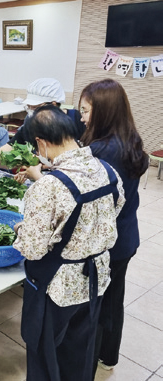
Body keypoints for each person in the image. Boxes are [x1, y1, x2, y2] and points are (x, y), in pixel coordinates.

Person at [12, 105, 125, 381]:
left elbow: (33, 249)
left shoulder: (48, 187)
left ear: (41, 142)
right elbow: (114, 211)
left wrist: (21, 229)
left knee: (46, 355)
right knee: (80, 351)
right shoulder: (108, 172)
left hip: (58, 288)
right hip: (96, 279)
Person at [79, 79, 149, 375]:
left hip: (107, 241)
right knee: (113, 298)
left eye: (85, 111)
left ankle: (88, 362)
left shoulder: (100, 151)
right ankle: (109, 356)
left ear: (103, 112)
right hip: (127, 236)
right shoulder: (130, 140)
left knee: (95, 303)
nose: (80, 117)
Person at [0, 78, 85, 171]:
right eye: (29, 107)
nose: (32, 112)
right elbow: (5, 151)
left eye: (36, 108)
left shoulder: (79, 120)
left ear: (53, 104)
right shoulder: (31, 124)